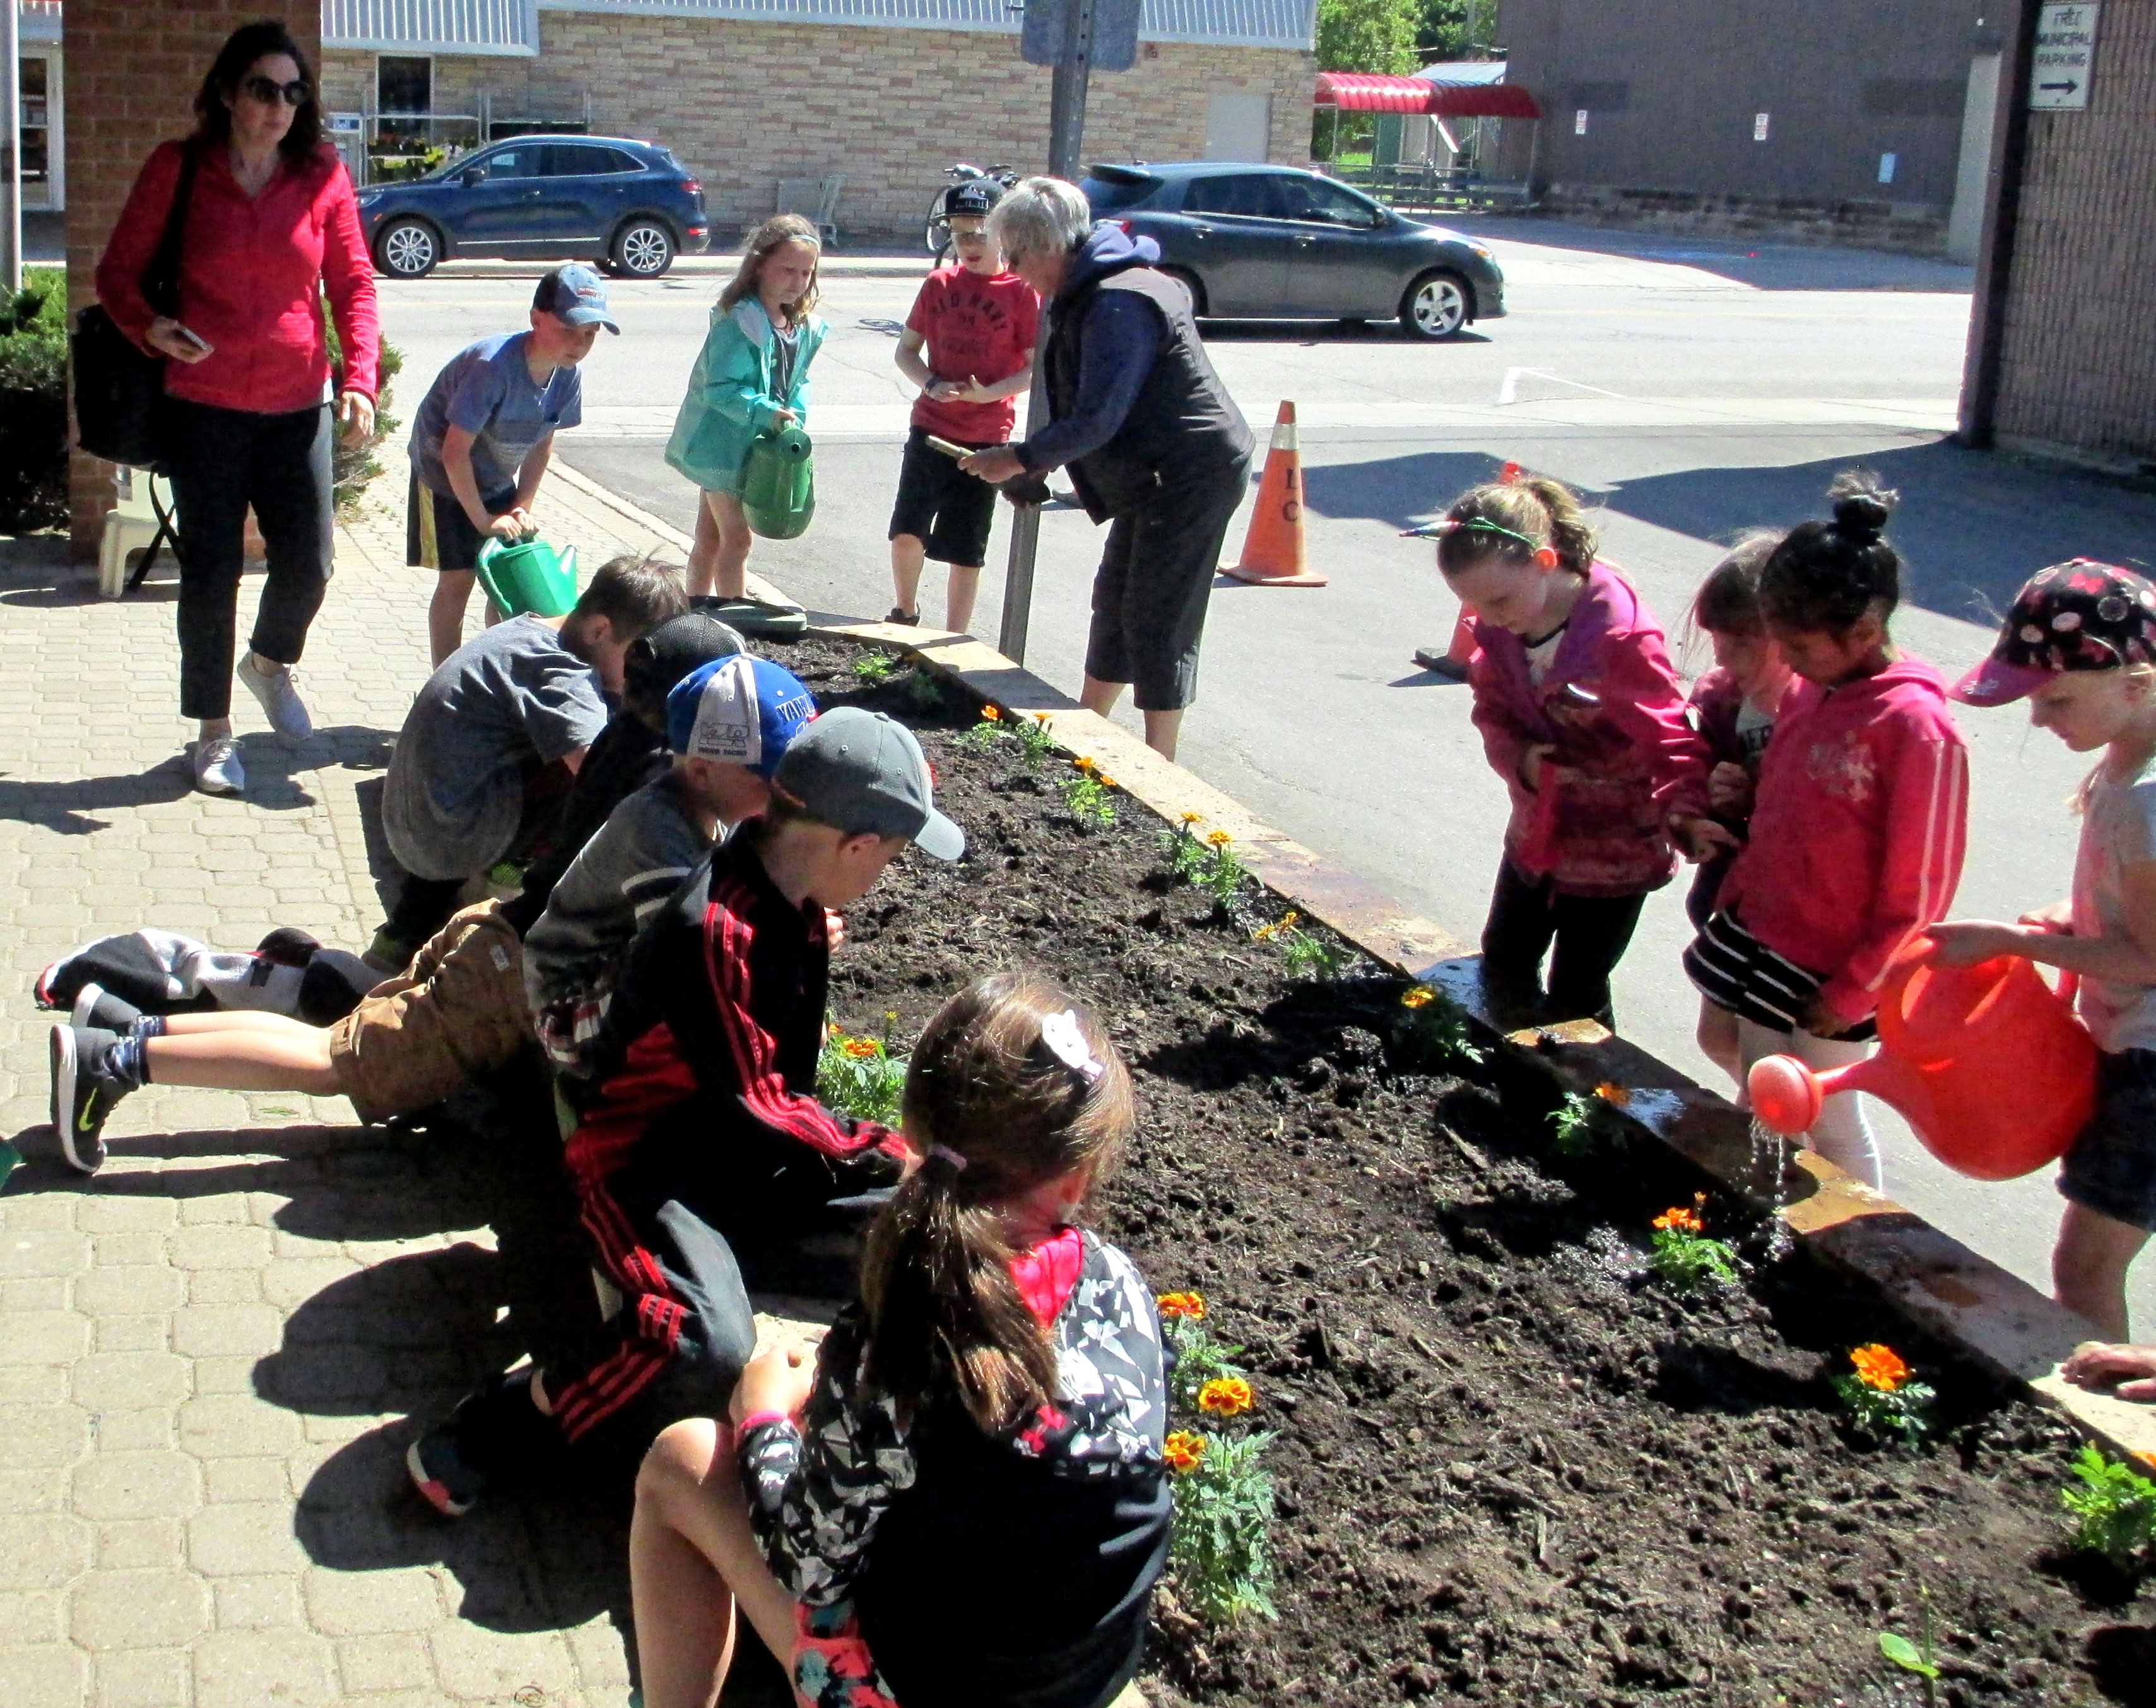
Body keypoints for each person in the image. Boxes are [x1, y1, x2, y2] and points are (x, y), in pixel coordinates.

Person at [405, 707, 965, 1516]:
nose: (886, 874)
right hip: (645, 1163)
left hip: (735, 1158)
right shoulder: (717, 928)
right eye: (893, 854)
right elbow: (760, 1101)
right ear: (855, 845)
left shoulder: (795, 902)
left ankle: (779, 1300)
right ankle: (510, 1416)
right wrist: (891, 1148)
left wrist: (924, 1173)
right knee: (702, 1340)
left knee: (937, 1220)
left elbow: (775, 1103)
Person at [630, 973, 1169, 1708]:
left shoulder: (900, 1343)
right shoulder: (1122, 1289)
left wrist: (762, 1418)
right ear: (1074, 1180)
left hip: (908, 1689)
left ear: (912, 1132)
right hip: (1074, 1681)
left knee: (680, 1461)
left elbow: (808, 1564)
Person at [45, 618, 755, 1176]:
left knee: (335, 1041)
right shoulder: (661, 783)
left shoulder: (622, 735)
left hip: (494, 932)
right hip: (503, 973)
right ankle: (113, 1062)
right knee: (332, 1062)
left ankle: (123, 1026)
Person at [94, 20, 379, 799]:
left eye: (294, 92)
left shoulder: (321, 175)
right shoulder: (179, 168)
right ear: (227, 93)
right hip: (205, 406)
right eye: (263, 89)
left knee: (310, 563)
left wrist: (359, 379)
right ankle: (213, 732)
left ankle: (268, 661)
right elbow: (117, 273)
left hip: (297, 403)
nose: (280, 106)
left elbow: (353, 283)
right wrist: (149, 328)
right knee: (212, 571)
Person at [1682, 473, 1969, 1193]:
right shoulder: (1814, 690)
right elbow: (1792, 799)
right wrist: (1746, 803)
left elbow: (1923, 888)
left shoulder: (1916, 729)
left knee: (1829, 1116)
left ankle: (1856, 1231)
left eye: (1800, 648)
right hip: (1770, 932)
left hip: (1836, 966)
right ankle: (1765, 1212)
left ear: (1863, 632)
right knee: (1763, 1090)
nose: (1788, 664)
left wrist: (1855, 989)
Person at [1930, 561, 2156, 1338]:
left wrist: (2012, 942)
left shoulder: (2148, 799)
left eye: (2056, 700)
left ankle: (2106, 1412)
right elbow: (2132, 905)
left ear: (2136, 683)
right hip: (2132, 1043)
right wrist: (2073, 914)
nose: (2037, 718)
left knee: (2086, 1265)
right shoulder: (2124, 761)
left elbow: (2151, 957)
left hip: (2152, 1063)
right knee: (2086, 1257)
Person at [958, 177, 1254, 761]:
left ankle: (1160, 766)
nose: (1012, 270)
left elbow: (1098, 417)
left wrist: (1018, 458)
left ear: (1049, 245)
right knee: (1115, 598)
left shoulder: (1119, 301)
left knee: (1158, 613)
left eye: (1016, 256)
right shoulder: (1092, 290)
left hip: (1190, 472)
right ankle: (1088, 731)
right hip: (1154, 470)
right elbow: (1080, 404)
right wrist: (1032, 467)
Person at [1422, 474, 1716, 1028]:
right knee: (1505, 954)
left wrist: (1687, 809)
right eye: (1472, 604)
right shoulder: (1503, 628)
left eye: (1497, 600)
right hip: (1539, 827)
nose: (1487, 616)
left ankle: (1585, 1079)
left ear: (1543, 560)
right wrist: (1521, 762)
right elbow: (1492, 710)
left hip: (1614, 847)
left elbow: (1669, 733)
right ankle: (1503, 1060)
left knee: (1577, 988)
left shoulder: (1617, 640)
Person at [370, 554, 686, 972]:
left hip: (417, 818)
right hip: (447, 840)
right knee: (608, 770)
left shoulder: (529, 629)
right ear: (599, 630)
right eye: (635, 659)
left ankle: (408, 927)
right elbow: (601, 773)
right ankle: (518, 883)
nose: (635, 674)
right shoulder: (562, 670)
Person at [525, 652, 816, 1080]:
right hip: (570, 1004)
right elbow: (683, 958)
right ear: (701, 771)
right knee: (695, 987)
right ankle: (624, 1095)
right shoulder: (655, 829)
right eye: (768, 781)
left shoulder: (720, 806)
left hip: (625, 966)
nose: (781, 797)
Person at [408, 264, 618, 667]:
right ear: (537, 319)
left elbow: (543, 443)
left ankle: (499, 672)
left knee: (510, 577)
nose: (579, 344)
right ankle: (445, 683)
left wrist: (522, 505)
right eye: (568, 329)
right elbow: (454, 452)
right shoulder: (493, 368)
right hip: (443, 475)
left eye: (590, 334)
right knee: (458, 579)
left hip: (494, 474)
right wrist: (483, 520)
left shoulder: (567, 375)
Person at [885, 179, 1040, 633]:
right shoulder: (939, 284)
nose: (969, 245)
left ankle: (955, 636)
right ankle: (905, 612)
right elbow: (906, 352)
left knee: (966, 548)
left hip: (987, 437)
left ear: (1003, 233)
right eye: (959, 234)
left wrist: (987, 394)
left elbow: (1035, 369)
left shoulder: (1021, 291)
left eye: (979, 234)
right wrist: (931, 383)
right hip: (931, 426)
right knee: (907, 529)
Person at [665, 214, 825, 625]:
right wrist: (765, 411)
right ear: (759, 266)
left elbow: (798, 380)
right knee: (737, 541)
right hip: (721, 446)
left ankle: (693, 616)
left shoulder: (800, 327)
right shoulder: (741, 322)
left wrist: (795, 413)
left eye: (806, 272)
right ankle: (735, 623)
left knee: (710, 539)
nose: (797, 281)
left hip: (758, 448)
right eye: (787, 270)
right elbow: (718, 387)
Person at [1683, 534, 1795, 1085]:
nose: (1724, 656)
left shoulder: (1814, 708)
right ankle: (1770, 1113)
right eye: (1716, 639)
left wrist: (1758, 795)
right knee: (1716, 1038)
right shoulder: (1722, 699)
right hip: (1728, 894)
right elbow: (1684, 765)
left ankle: (1780, 1121)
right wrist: (1698, 805)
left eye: (1742, 641)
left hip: (1788, 909)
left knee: (1772, 1062)